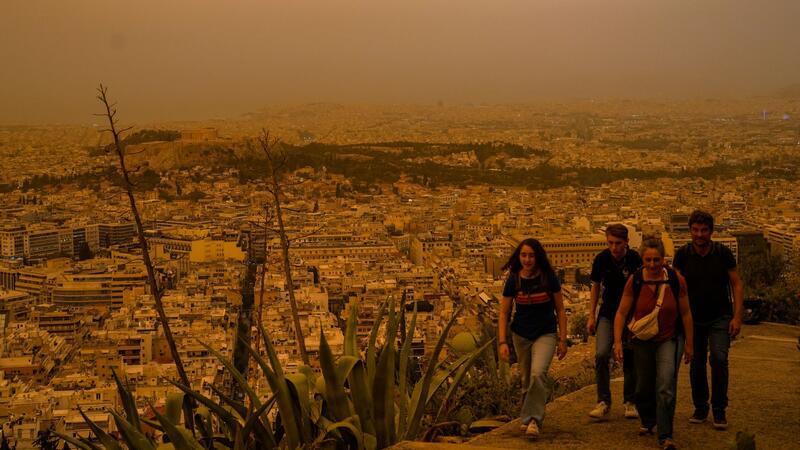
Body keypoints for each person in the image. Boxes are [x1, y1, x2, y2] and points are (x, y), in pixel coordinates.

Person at [614, 238, 694, 450]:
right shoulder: (636, 280)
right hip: (641, 340)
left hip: (668, 338)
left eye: (656, 260)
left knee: (666, 385)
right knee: (643, 386)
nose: (652, 264)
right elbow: (621, 312)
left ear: (664, 258)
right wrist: (617, 342)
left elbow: (686, 313)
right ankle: (648, 420)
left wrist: (689, 344)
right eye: (648, 260)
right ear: (642, 260)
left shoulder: (675, 280)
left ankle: (666, 435)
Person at [673, 210, 743, 429]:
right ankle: (701, 407)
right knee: (696, 363)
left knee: (719, 359)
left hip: (720, 316)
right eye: (695, 230)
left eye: (704, 230)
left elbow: (736, 284)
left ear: (711, 232)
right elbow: (676, 288)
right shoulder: (682, 255)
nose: (699, 234)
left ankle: (719, 410)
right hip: (692, 318)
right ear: (690, 231)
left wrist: (737, 316)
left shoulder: (722, 253)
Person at [498, 238, 568, 438]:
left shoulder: (548, 277)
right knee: (526, 378)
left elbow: (561, 309)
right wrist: (503, 341)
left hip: (545, 332)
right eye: (523, 255)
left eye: (531, 255)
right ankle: (527, 416)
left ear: (538, 257)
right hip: (521, 334)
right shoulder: (513, 279)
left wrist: (563, 339)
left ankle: (533, 420)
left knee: (538, 373)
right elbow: (504, 312)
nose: (527, 259)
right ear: (518, 257)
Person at [587, 224, 643, 420]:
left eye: (618, 243)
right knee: (601, 354)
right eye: (610, 243)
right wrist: (591, 315)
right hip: (608, 313)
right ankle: (603, 401)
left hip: (631, 315)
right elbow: (595, 287)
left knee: (630, 356)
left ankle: (630, 401)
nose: (614, 247)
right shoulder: (602, 259)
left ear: (626, 242)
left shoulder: (635, 259)